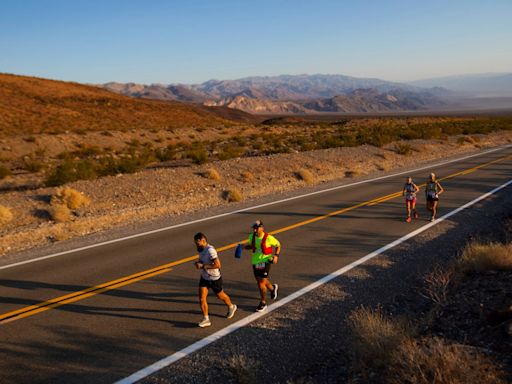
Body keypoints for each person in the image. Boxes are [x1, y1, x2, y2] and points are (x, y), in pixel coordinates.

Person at [193, 232, 237, 327]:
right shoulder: (200, 249)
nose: (196, 245)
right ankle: (206, 319)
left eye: (198, 243)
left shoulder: (210, 250)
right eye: (196, 243)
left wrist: (203, 266)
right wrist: (198, 263)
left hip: (214, 278)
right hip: (205, 277)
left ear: (203, 241)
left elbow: (218, 265)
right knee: (202, 298)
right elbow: (202, 261)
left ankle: (231, 306)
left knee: (220, 295)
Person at [245, 220, 281, 312]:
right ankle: (272, 288)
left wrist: (276, 256)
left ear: (262, 228)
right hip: (255, 262)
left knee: (261, 283)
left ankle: (263, 302)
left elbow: (278, 245)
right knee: (260, 282)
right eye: (254, 229)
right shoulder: (251, 237)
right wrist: (243, 247)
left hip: (266, 261)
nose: (255, 230)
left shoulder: (269, 238)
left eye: (256, 228)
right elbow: (251, 246)